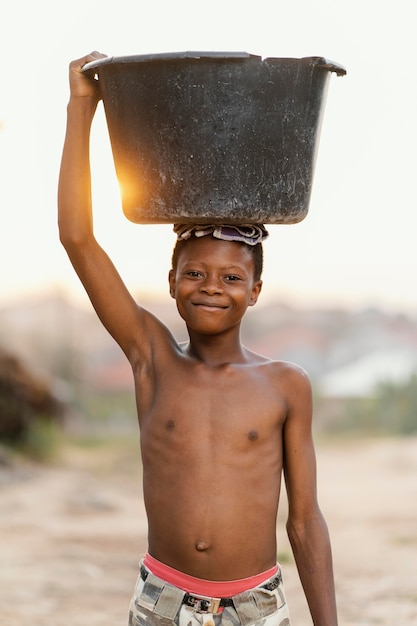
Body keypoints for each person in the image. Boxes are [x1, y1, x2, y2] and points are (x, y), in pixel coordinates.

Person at [58, 51, 338, 626]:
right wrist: (82, 108)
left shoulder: (286, 385)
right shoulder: (152, 358)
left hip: (256, 608)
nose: (212, 288)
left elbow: (305, 520)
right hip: (162, 603)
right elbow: (78, 239)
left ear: (256, 289)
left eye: (232, 277)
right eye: (195, 273)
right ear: (171, 281)